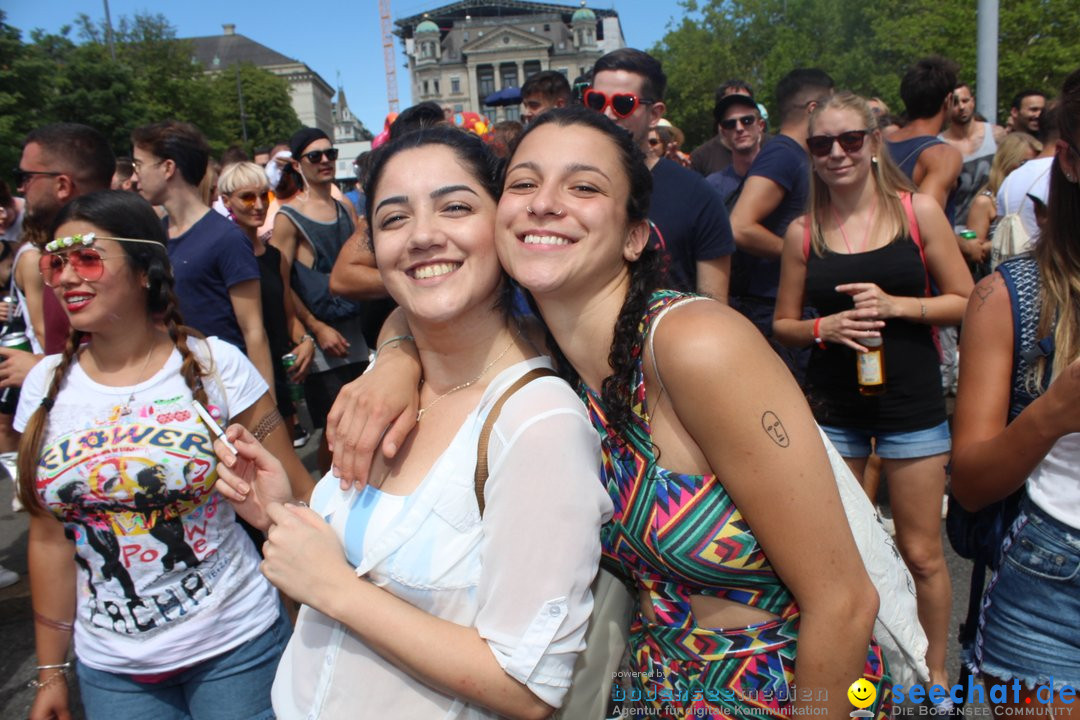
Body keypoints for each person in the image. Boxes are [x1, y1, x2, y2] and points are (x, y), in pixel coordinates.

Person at [328, 107, 891, 718]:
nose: (545, 203)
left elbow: (844, 601)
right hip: (652, 690)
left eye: (584, 187)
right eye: (523, 183)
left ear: (635, 235)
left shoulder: (694, 345)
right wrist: (394, 361)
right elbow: (423, 311)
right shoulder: (546, 346)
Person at [212, 126, 611, 719]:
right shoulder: (382, 387)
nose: (423, 236)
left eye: (454, 207)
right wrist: (286, 509)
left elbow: (529, 689)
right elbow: (362, 571)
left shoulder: (538, 424)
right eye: (395, 219)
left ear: (502, 225)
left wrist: (335, 590)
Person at [15, 189, 311, 720]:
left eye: (86, 256)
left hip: (235, 648)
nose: (64, 277)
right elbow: (48, 539)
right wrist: (50, 673)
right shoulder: (43, 387)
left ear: (144, 270)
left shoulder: (216, 366)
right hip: (112, 672)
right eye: (54, 262)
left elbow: (298, 493)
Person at [772, 92, 973, 695]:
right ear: (809, 153)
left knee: (921, 552)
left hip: (911, 404)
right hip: (835, 406)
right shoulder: (803, 231)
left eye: (850, 140)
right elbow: (782, 323)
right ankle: (860, 674)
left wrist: (899, 306)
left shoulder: (918, 214)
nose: (837, 154)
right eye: (821, 144)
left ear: (874, 141)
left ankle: (933, 674)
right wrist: (821, 328)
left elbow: (968, 300)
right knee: (838, 553)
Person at [951, 67, 1080, 714]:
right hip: (1053, 584)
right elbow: (970, 482)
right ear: (1073, 161)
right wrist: (1054, 412)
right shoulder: (1013, 297)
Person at [131, 120, 274, 393]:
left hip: (227, 390)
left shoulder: (227, 238)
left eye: (139, 165)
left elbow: (254, 333)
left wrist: (266, 420)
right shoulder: (154, 238)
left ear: (168, 167)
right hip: (174, 390)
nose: (135, 177)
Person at [589, 48, 734, 300]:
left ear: (655, 114)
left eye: (623, 104)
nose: (607, 114)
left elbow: (715, 307)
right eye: (596, 101)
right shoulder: (566, 187)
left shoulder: (697, 195)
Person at [271, 127, 377, 471]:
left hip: (358, 335)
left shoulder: (345, 207)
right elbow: (281, 283)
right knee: (334, 438)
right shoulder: (288, 218)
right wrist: (314, 329)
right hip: (324, 341)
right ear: (298, 165)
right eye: (314, 156)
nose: (324, 161)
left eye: (329, 153)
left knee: (365, 429)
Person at [729, 68, 834, 377]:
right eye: (831, 105)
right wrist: (807, 256)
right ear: (813, 108)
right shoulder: (782, 155)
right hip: (771, 307)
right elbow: (741, 226)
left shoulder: (794, 154)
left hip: (787, 306)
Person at [218, 162, 315, 447]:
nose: (259, 205)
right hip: (237, 379)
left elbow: (288, 316)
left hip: (279, 374)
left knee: (282, 461)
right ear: (226, 202)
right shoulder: (220, 254)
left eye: (265, 196)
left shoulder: (275, 257)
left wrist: (306, 340)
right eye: (248, 197)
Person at [964, 132, 1043, 272]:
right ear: (1006, 162)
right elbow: (974, 251)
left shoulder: (1037, 198)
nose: (1031, 169)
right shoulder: (985, 202)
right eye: (1024, 163)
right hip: (997, 278)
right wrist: (1007, 241)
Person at [939, 82, 1008, 228]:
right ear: (946, 105)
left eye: (965, 101)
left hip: (994, 223)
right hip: (957, 227)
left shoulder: (997, 134)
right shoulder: (939, 145)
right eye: (955, 103)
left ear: (973, 101)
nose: (961, 107)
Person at [706, 92, 767, 208]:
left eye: (747, 121)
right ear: (723, 132)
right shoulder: (712, 186)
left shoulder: (782, 176)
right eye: (730, 124)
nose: (739, 128)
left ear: (761, 126)